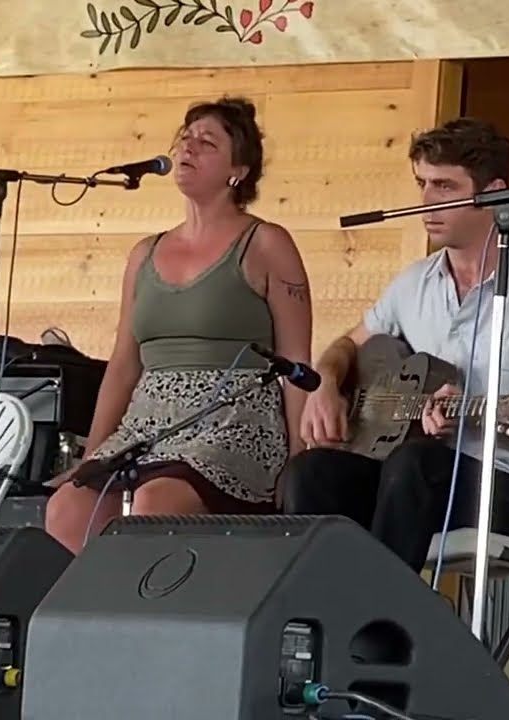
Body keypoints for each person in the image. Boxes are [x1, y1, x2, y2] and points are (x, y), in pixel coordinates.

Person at [277, 117, 509, 574]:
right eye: (422, 183)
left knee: (418, 463)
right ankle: (312, 622)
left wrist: (475, 420)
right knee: (311, 472)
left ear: (495, 193)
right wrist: (326, 381)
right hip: (405, 479)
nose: (426, 202)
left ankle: (381, 629)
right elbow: (349, 343)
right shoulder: (413, 284)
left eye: (444, 186)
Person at [43, 96, 312, 554]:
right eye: (185, 137)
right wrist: (93, 456)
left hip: (233, 423)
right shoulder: (144, 253)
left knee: (156, 501)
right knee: (68, 506)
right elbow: (124, 365)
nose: (188, 147)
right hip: (148, 423)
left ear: (239, 171)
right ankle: (96, 622)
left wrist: (298, 461)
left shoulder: (266, 242)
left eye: (207, 142)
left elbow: (297, 364)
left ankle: (155, 618)